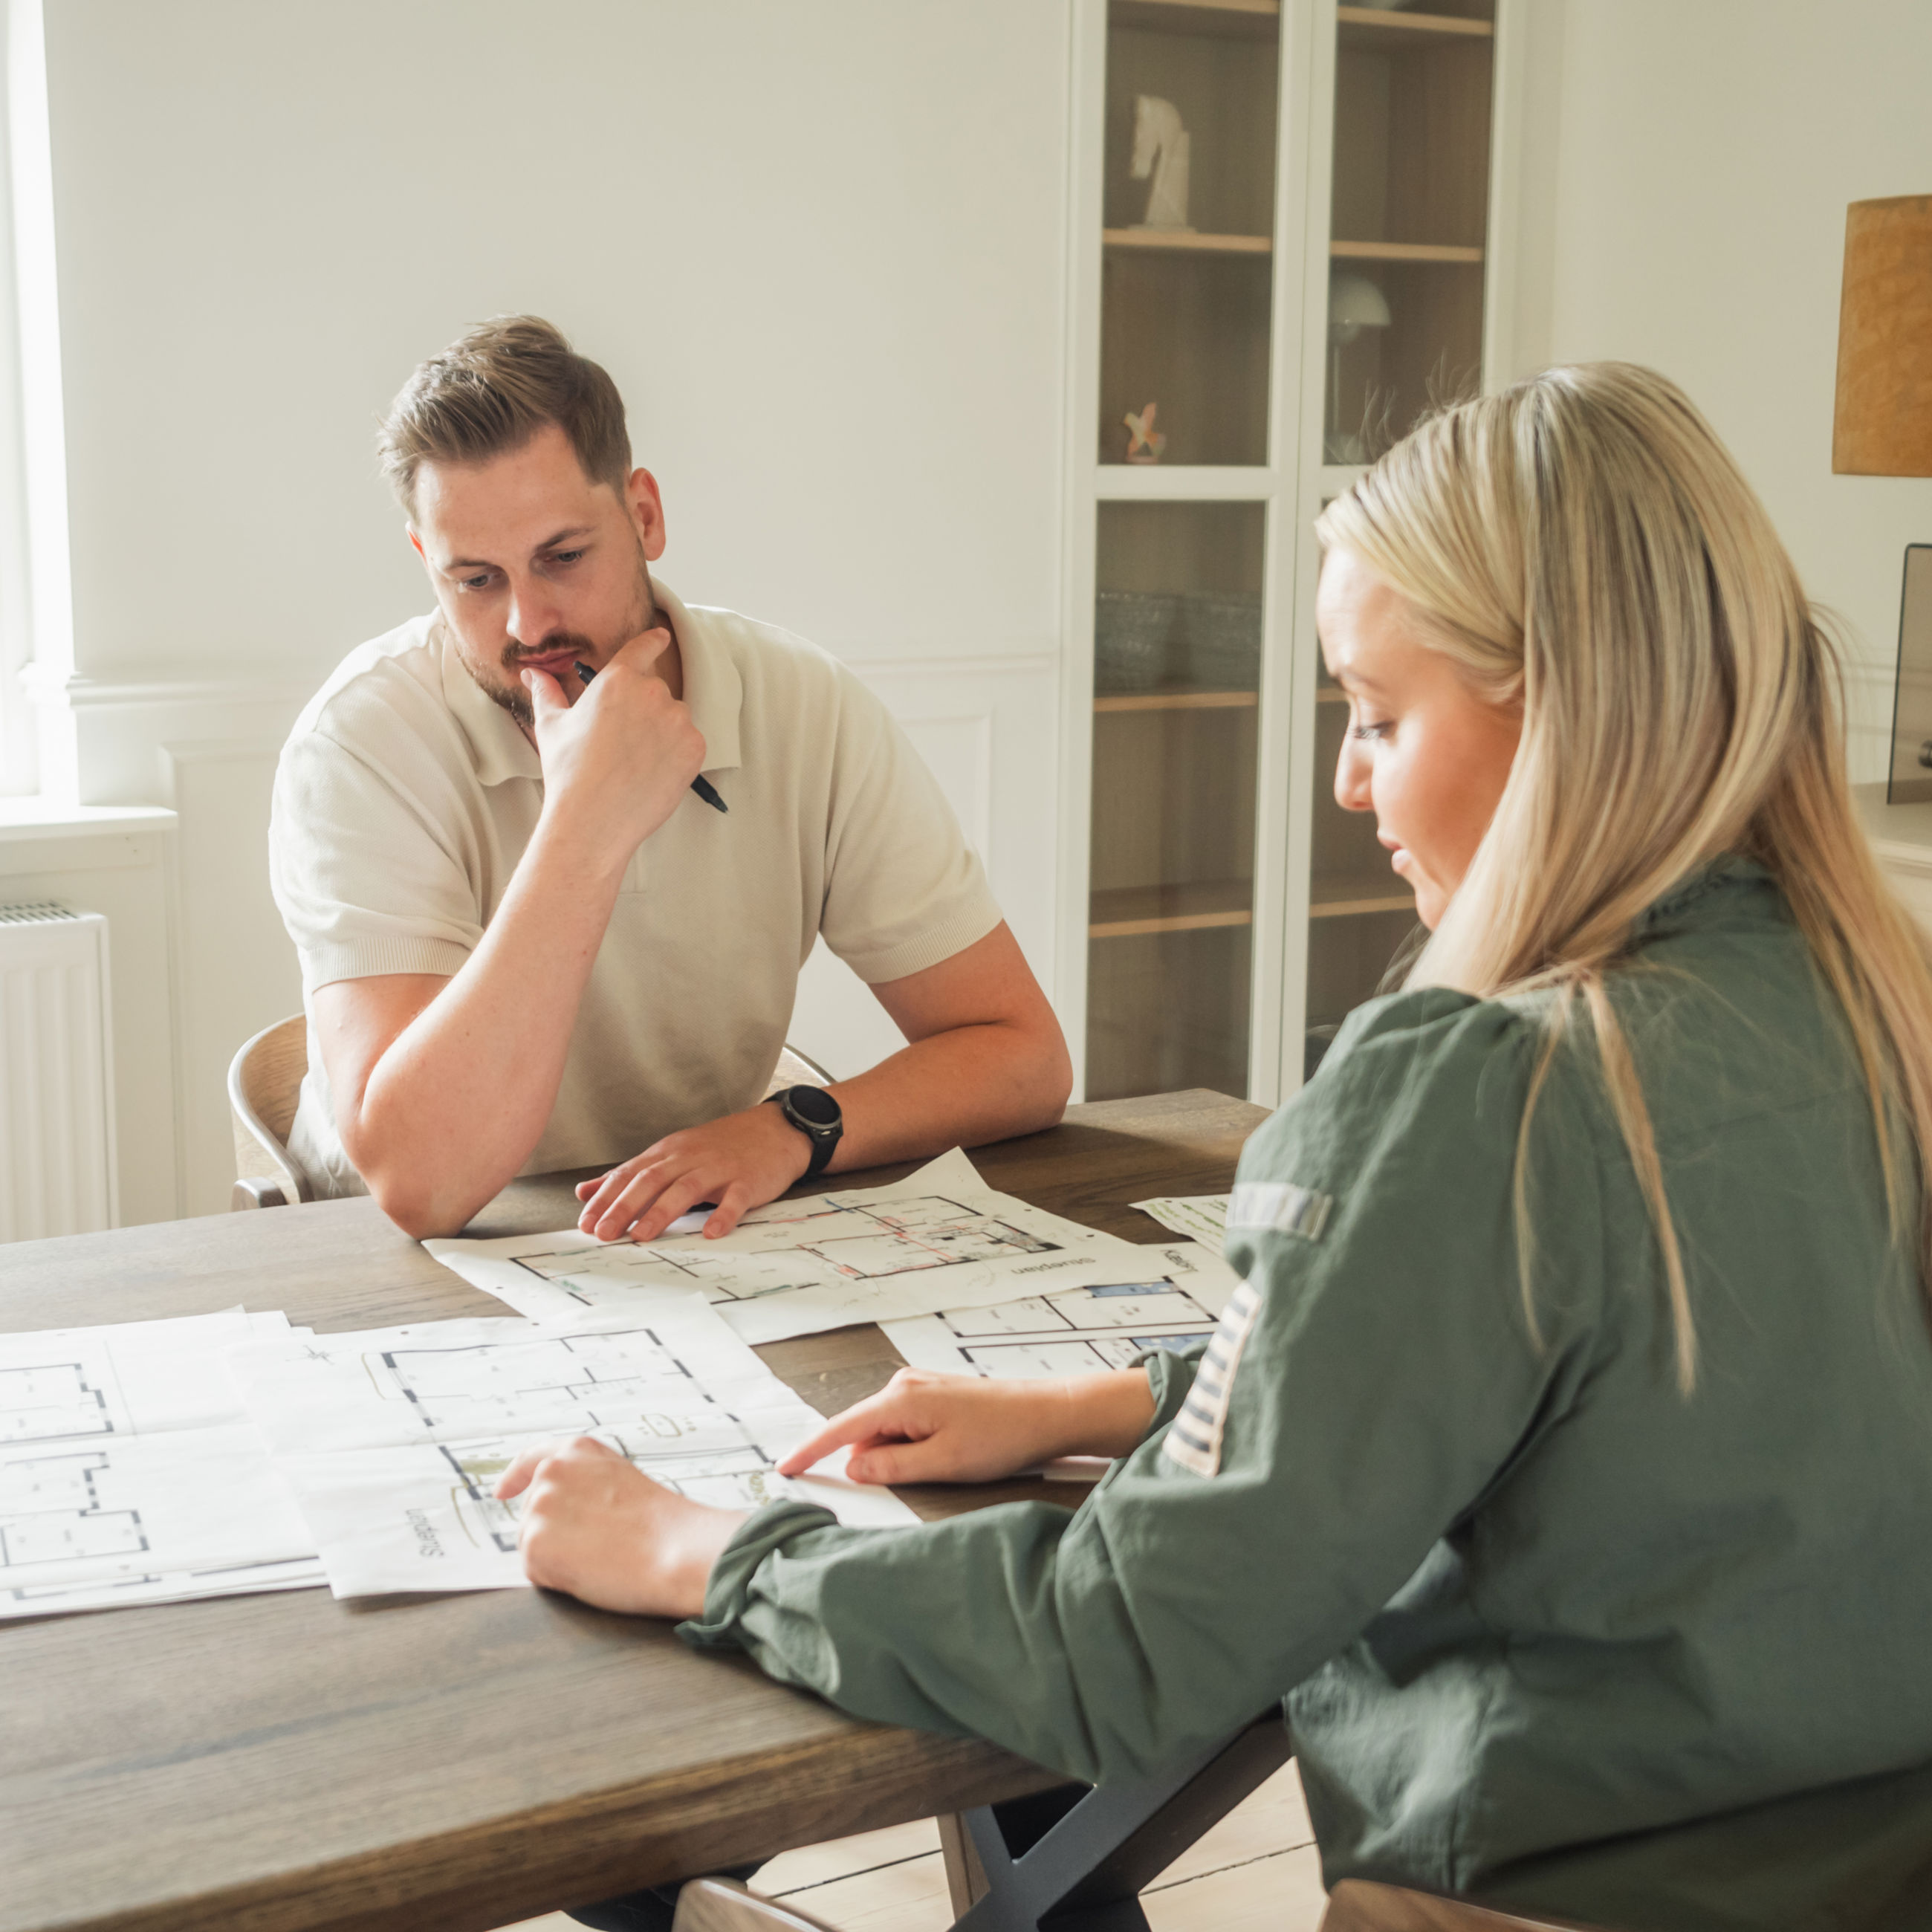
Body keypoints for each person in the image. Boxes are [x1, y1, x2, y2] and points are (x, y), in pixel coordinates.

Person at [496, 364, 1932, 1931]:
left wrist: (708, 1550)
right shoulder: (1868, 997)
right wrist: (1120, 1403)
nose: (1347, 778)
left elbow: (1128, 1649)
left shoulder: (1478, 1090)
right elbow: (1595, 1396)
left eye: (1381, 714)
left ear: (1562, 707)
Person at [270, 317, 1071, 1239]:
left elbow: (1022, 1055)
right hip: (398, 1248)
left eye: (563, 558)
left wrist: (792, 1127)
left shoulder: (802, 700)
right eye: (476, 580)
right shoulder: (361, 740)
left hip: (684, 1233)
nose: (528, 621)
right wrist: (585, 822)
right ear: (426, 563)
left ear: (643, 514)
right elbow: (422, 1184)